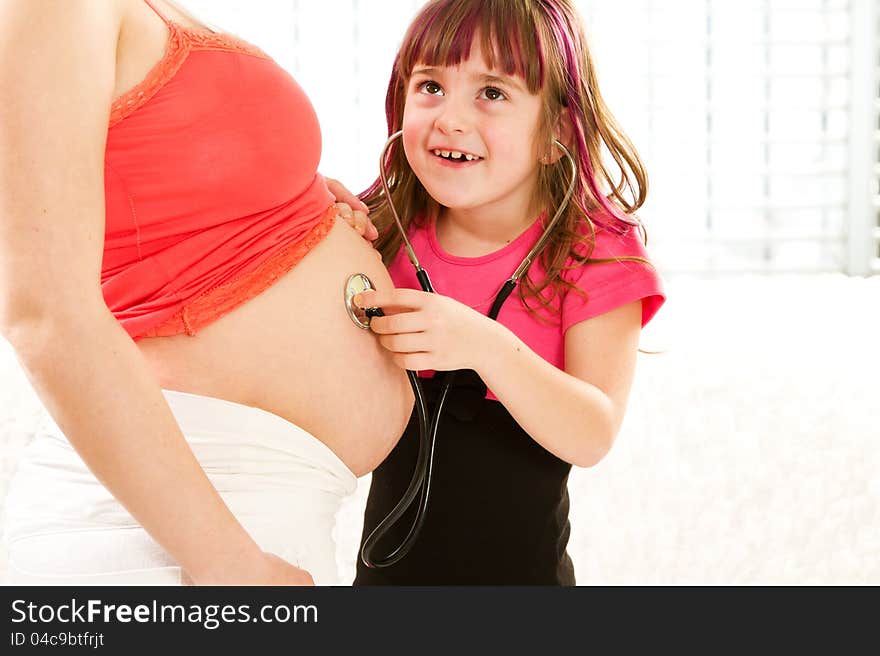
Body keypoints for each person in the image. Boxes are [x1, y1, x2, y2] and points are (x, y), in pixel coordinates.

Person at [0, 0, 414, 586]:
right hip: (177, 528)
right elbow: (44, 316)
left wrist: (297, 196)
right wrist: (231, 568)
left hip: (244, 512)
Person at [352, 0, 666, 585]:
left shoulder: (595, 254)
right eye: (430, 86)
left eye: (492, 93)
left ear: (557, 132)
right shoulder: (383, 234)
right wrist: (313, 229)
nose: (449, 118)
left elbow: (592, 433)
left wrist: (484, 346)